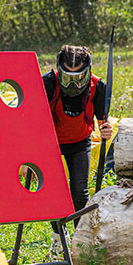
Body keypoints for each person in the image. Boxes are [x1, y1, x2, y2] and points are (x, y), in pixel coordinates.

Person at [42, 45, 112, 252]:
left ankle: (80, 240)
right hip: (51, 142)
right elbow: (34, 117)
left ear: (87, 69)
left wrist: (106, 131)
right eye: (68, 75)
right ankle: (58, 237)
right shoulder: (47, 82)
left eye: (78, 76)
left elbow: (103, 123)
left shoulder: (98, 87)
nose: (73, 82)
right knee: (54, 192)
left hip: (80, 141)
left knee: (79, 193)